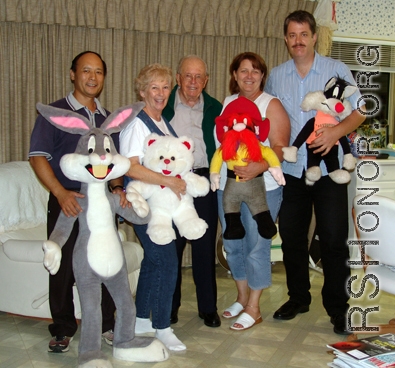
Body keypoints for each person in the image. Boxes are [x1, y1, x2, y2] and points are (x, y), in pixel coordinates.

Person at [264, 10, 366, 335]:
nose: (298, 41)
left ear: (314, 36)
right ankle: (298, 298)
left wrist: (336, 133)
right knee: (292, 238)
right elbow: (269, 118)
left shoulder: (336, 69)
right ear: (285, 38)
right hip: (293, 172)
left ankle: (338, 309)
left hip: (329, 172)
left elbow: (361, 108)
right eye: (292, 35)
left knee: (335, 241)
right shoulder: (277, 76)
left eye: (303, 35)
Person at [29, 51, 124, 352]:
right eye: (86, 70)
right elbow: (38, 157)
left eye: (98, 71)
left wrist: (119, 187)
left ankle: (108, 324)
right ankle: (63, 328)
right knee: (62, 268)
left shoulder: (107, 119)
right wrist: (60, 193)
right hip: (67, 199)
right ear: (73, 74)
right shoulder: (54, 113)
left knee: (105, 261)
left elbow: (115, 163)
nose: (93, 77)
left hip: (100, 204)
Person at [216, 52, 290, 331]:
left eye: (255, 71)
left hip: (263, 190)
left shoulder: (271, 104)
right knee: (233, 245)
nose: (249, 76)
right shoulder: (228, 103)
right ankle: (242, 297)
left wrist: (258, 167)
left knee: (256, 248)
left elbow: (281, 148)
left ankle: (254, 308)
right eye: (243, 70)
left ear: (262, 76)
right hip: (228, 187)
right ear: (234, 74)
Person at [119, 63, 186, 351]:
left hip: (161, 205)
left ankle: (141, 321)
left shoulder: (162, 123)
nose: (160, 93)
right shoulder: (137, 124)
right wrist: (168, 182)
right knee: (168, 261)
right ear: (143, 90)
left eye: (165, 87)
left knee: (153, 261)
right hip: (143, 204)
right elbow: (130, 168)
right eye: (154, 87)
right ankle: (162, 325)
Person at [162, 55, 222, 328]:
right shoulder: (163, 105)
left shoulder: (215, 108)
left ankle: (208, 308)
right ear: (178, 78)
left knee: (204, 247)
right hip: (171, 183)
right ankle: (169, 306)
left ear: (206, 80)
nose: (193, 82)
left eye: (199, 77)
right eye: (188, 75)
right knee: (171, 247)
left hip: (203, 182)